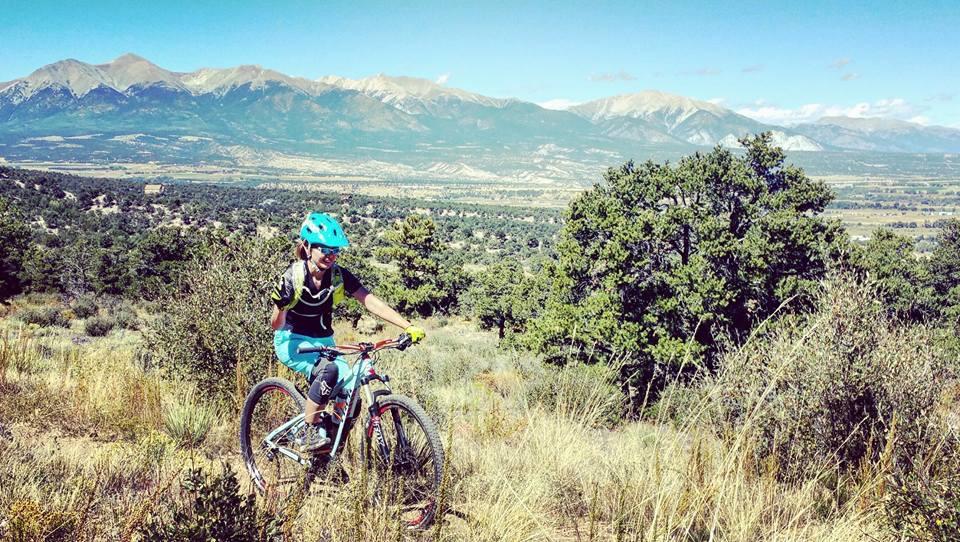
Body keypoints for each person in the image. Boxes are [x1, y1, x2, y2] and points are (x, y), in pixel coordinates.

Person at [270, 212, 425, 451]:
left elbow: (370, 301)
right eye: (325, 249)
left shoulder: (339, 275)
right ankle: (309, 431)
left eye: (336, 250)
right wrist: (280, 306)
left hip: (325, 342)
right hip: (293, 342)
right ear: (308, 246)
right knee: (329, 370)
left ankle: (327, 448)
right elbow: (276, 325)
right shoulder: (294, 276)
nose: (331, 256)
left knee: (352, 392)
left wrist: (407, 326)